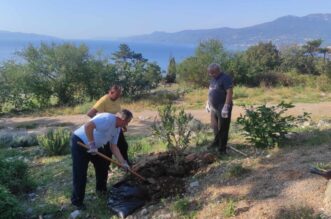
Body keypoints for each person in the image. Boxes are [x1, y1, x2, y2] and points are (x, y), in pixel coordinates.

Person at [70, 109, 133, 209]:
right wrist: (91, 144)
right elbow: (88, 126)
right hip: (80, 142)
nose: (127, 125)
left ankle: (101, 191)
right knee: (80, 172)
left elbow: (114, 147)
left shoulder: (117, 129)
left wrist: (123, 162)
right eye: (127, 122)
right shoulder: (107, 119)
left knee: (103, 165)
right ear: (121, 119)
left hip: (95, 145)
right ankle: (77, 201)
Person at [87, 85, 130, 163]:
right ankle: (107, 167)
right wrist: (100, 122)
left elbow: (119, 114)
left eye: (119, 95)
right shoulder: (103, 100)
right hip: (107, 128)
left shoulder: (116, 100)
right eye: (117, 95)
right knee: (108, 150)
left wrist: (123, 125)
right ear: (111, 92)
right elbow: (90, 113)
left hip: (117, 126)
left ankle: (125, 164)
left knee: (123, 145)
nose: (118, 97)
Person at [206, 63, 233, 155]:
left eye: (212, 73)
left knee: (223, 128)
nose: (211, 75)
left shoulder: (225, 78)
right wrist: (208, 103)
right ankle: (216, 142)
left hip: (222, 106)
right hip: (213, 107)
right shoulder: (213, 79)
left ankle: (222, 149)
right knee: (214, 126)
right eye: (210, 73)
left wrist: (226, 106)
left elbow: (229, 92)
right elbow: (210, 91)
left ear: (218, 70)